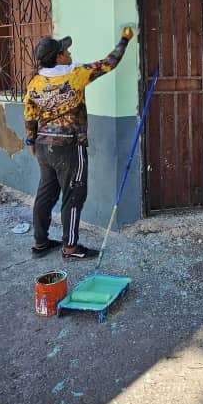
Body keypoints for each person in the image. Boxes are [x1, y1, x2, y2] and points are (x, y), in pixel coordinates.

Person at [24, 27, 134, 260]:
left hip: (44, 146)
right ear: (58, 57)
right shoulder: (76, 75)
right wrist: (124, 40)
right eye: (65, 50)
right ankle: (71, 247)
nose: (69, 52)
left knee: (45, 195)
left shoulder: (35, 82)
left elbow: (30, 113)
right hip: (69, 147)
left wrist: (31, 140)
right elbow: (110, 62)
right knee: (74, 195)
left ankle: (40, 243)